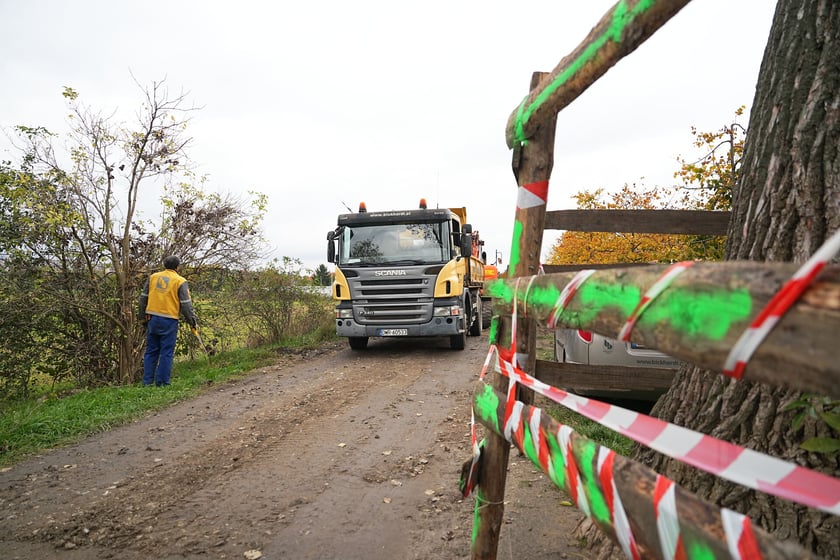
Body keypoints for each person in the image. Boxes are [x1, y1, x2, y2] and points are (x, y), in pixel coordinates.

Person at [138, 256, 198, 386]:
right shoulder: (180, 281)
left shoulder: (153, 277)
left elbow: (143, 299)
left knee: (151, 351)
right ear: (177, 267)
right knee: (166, 352)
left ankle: (147, 382)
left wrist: (142, 318)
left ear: (164, 265)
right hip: (169, 320)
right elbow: (186, 305)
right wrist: (192, 322)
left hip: (152, 318)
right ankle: (162, 383)